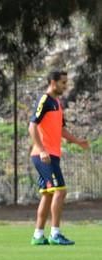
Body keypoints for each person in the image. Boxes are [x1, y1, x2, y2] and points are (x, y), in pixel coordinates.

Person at [29, 71, 89, 246]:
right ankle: (55, 233)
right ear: (53, 82)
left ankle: (38, 235)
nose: (65, 86)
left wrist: (78, 141)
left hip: (52, 155)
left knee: (48, 195)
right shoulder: (45, 100)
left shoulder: (57, 103)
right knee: (60, 191)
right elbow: (32, 126)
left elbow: (61, 130)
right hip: (44, 156)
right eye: (63, 82)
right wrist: (41, 150)